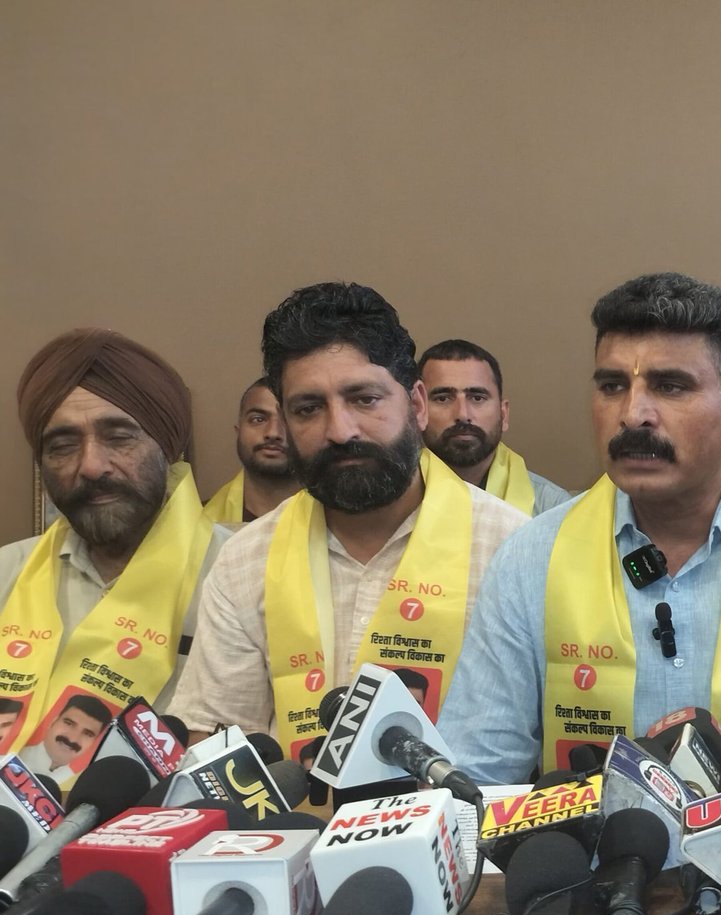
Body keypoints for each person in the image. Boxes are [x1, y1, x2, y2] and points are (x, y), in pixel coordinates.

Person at [439, 272, 721, 781]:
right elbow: (476, 780)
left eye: (670, 386)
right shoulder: (529, 561)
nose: (632, 415)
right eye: (612, 386)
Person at [171, 283, 529, 763]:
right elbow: (216, 750)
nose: (339, 431)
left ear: (417, 405)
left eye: (364, 399)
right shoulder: (245, 561)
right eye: (308, 409)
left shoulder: (510, 548)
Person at [0, 328, 227, 776]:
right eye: (62, 445)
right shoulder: (7, 572)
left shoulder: (243, 572)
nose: (90, 465)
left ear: (169, 446)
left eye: (119, 437)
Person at [418, 339, 571, 515]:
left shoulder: (553, 508)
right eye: (443, 398)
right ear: (418, 410)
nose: (463, 414)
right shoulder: (395, 503)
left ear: (503, 414)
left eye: (477, 398)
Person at [201, 378, 302, 523]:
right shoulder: (197, 523)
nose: (273, 433)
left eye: (287, 420)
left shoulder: (334, 522)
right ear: (238, 432)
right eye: (258, 419)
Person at [17, 693, 112, 778]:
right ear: (53, 722)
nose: (73, 739)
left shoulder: (76, 781)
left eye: (87, 734)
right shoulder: (14, 757)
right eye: (69, 723)